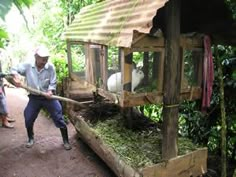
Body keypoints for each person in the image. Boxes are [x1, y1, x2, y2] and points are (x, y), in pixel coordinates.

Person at [11, 45, 71, 150]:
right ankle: (31, 138)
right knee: (28, 117)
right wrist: (15, 76)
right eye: (43, 59)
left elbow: (53, 82)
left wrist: (50, 90)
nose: (44, 61)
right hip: (34, 98)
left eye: (46, 59)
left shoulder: (50, 67)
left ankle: (65, 140)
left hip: (48, 98)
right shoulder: (28, 66)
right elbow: (14, 68)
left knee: (58, 115)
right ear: (36, 57)